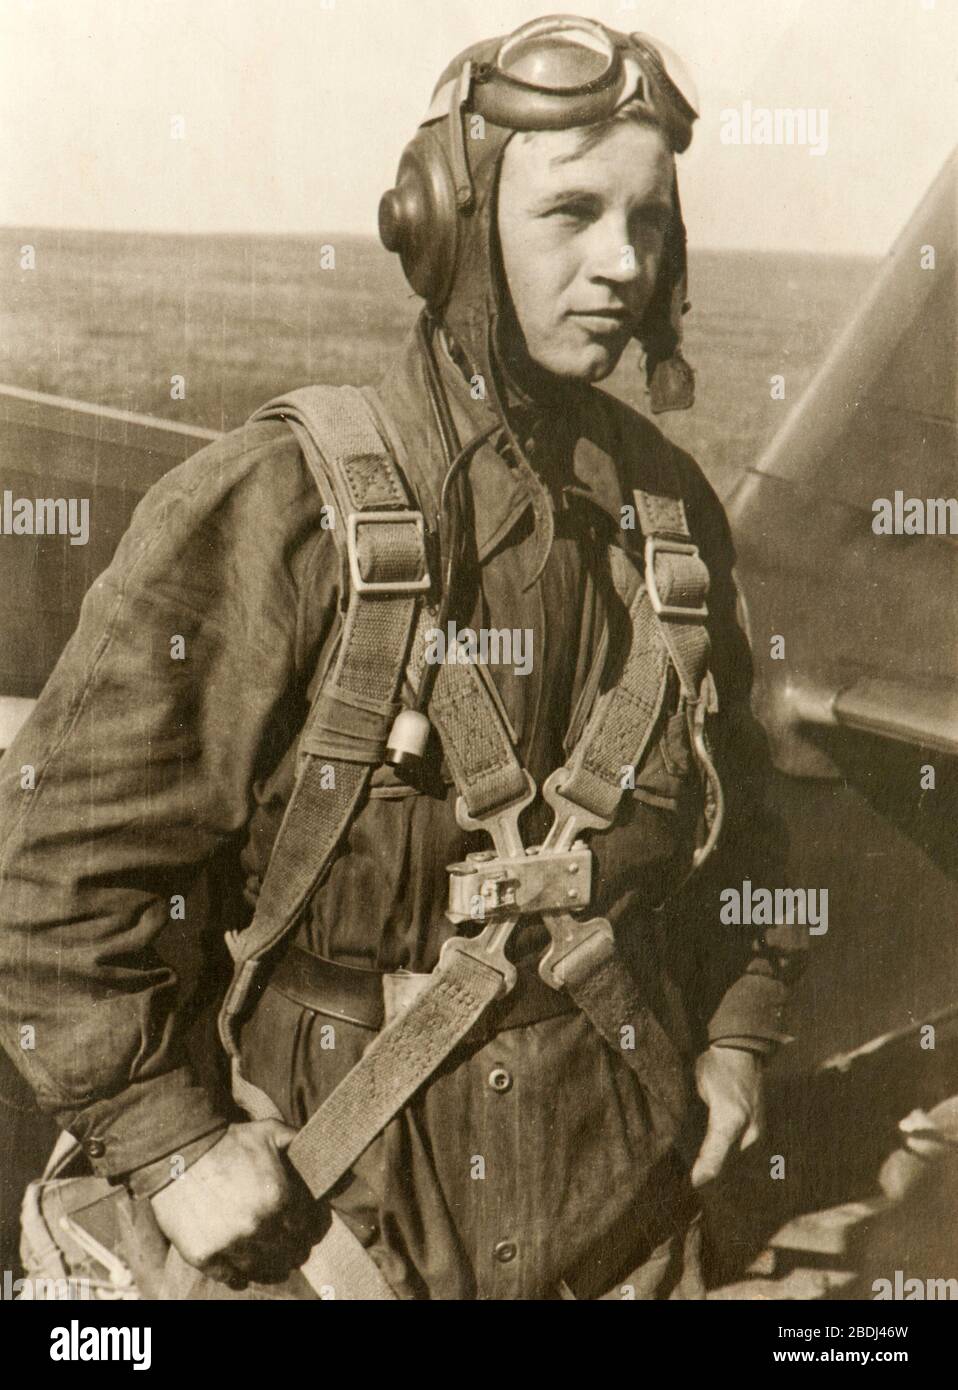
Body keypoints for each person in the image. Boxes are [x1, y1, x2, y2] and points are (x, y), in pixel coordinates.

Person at [0, 16, 806, 1300]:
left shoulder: (672, 525)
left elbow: (747, 835)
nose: (621, 263)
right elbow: (49, 866)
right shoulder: (282, 509)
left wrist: (738, 1037)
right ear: (448, 223)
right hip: (334, 1244)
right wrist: (165, 1142)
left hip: (627, 1234)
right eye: (572, 214)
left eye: (649, 221)